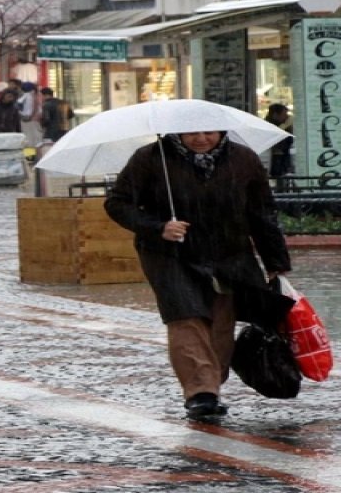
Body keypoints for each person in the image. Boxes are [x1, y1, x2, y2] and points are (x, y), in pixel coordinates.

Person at [104, 131, 293, 421]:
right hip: (171, 254)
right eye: (192, 132)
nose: (201, 138)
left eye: (209, 132)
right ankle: (201, 393)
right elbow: (117, 203)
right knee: (186, 316)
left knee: (221, 322)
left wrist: (275, 261)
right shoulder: (151, 157)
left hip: (228, 253)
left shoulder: (243, 159)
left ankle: (212, 384)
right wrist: (158, 227)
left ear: (222, 132)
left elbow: (262, 212)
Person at [264, 103, 294, 183]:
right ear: (275, 115)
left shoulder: (286, 126)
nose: (286, 117)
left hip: (284, 160)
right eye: (284, 114)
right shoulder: (267, 126)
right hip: (273, 161)